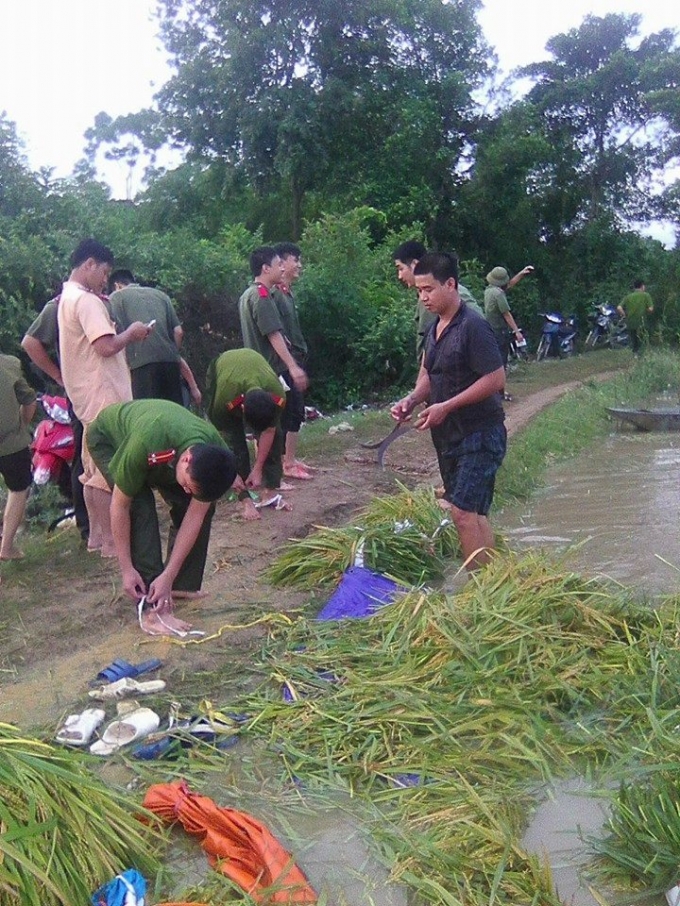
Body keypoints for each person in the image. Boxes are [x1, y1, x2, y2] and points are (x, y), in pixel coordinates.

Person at [391, 252, 506, 572]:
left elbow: (496, 379)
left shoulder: (473, 326)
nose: (423, 297)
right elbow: (429, 375)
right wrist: (411, 400)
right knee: (474, 514)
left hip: (480, 432)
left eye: (428, 289)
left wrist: (447, 406)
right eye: (418, 291)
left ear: (451, 284)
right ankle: (493, 582)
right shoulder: (435, 329)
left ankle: (479, 591)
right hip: (449, 436)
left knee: (462, 513)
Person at [87, 399, 237, 635]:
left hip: (162, 449)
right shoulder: (148, 441)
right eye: (188, 484)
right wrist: (126, 568)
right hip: (110, 439)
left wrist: (169, 575)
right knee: (140, 505)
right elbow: (119, 506)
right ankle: (151, 606)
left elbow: (195, 517)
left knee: (193, 505)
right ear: (186, 460)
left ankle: (178, 585)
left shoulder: (214, 457)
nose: (187, 489)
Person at [57, 239, 152, 557]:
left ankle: (96, 537)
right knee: (105, 469)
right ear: (89, 264)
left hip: (87, 394)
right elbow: (106, 346)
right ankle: (112, 540)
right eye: (104, 272)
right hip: (102, 393)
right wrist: (133, 333)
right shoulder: (85, 301)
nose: (105, 280)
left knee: (90, 466)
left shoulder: (67, 298)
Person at [21, 295, 90, 542]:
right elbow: (31, 342)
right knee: (85, 455)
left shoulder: (101, 300)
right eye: (103, 272)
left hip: (103, 389)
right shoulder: (61, 303)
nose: (104, 279)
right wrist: (60, 377)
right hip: (80, 392)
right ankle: (87, 526)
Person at [205, 348, 288, 520]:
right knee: (236, 447)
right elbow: (222, 437)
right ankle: (245, 501)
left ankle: (270, 492)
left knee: (276, 436)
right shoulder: (224, 400)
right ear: (242, 409)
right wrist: (233, 474)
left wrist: (257, 468)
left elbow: (270, 431)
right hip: (222, 367)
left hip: (253, 362)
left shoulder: (277, 395)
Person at [108, 269, 201, 407]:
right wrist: (171, 352)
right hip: (171, 364)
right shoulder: (162, 295)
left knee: (148, 417)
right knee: (173, 415)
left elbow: (114, 333)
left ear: (117, 285)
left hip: (140, 368)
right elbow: (178, 331)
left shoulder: (116, 297)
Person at [393, 240, 483, 360]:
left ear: (415, 264)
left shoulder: (438, 297)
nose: (399, 276)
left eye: (400, 268)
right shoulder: (446, 291)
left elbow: (428, 347)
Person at [271, 242, 314, 481]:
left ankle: (290, 459)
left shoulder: (286, 293)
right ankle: (286, 463)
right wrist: (290, 364)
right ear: (282, 262)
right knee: (292, 410)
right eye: (294, 260)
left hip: (295, 358)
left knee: (295, 411)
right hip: (284, 363)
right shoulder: (275, 294)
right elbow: (276, 332)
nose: (299, 265)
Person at [0, 352, 36, 561]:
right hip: (12, 444)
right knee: (18, 489)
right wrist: (22, 427)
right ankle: (6, 547)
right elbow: (30, 400)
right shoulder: (9, 364)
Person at [617, 280, 654, 355]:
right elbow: (650, 309)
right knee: (643, 338)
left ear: (634, 287)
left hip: (630, 322)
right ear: (642, 286)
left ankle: (635, 354)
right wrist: (645, 310)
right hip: (641, 321)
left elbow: (619, 307)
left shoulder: (628, 296)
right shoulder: (646, 295)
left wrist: (624, 315)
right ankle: (645, 354)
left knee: (634, 339)